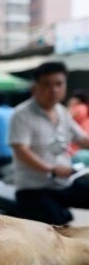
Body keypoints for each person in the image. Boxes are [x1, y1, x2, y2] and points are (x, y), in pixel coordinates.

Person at [9, 62, 89, 225]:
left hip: (63, 185)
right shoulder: (22, 114)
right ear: (35, 87)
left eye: (59, 84)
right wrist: (51, 169)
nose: (54, 90)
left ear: (65, 85)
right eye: (47, 84)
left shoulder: (62, 112)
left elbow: (82, 139)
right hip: (33, 189)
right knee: (58, 227)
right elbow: (21, 150)